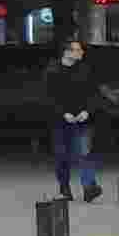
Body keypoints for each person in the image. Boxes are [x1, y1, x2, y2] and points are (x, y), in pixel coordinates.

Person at [45, 40, 106, 204]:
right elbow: (49, 97)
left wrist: (87, 111)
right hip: (60, 122)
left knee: (84, 152)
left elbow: (94, 94)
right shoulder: (53, 71)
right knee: (62, 157)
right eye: (77, 50)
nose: (81, 52)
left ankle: (89, 188)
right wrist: (63, 113)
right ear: (66, 52)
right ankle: (64, 188)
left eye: (81, 50)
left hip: (81, 121)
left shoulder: (84, 70)